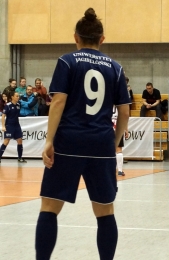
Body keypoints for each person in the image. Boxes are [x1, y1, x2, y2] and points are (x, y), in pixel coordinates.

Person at [35, 8, 130, 260]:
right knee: (105, 211)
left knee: (50, 206)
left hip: (69, 141)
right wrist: (114, 142)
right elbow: (124, 112)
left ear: (75, 37)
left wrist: (49, 141)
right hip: (101, 143)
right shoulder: (116, 68)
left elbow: (57, 102)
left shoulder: (67, 61)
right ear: (102, 39)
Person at [0, 92, 27, 163]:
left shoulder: (18, 105)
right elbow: (3, 116)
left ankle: (20, 158)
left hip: (16, 125)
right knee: (6, 141)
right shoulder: (8, 106)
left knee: (20, 140)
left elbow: (16, 115)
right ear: (12, 97)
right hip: (9, 125)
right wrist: (3, 126)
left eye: (18, 96)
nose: (18, 97)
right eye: (17, 96)